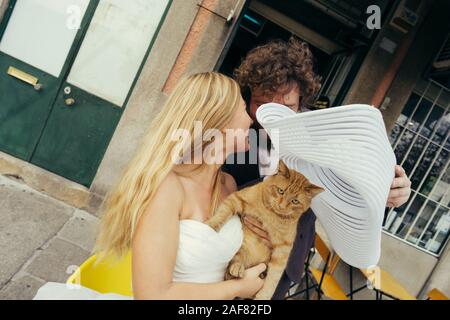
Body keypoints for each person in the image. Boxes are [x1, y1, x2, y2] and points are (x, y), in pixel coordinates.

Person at [33, 72, 266, 300]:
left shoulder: (228, 184)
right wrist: (237, 289)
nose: (251, 119)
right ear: (221, 122)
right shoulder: (168, 189)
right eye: (243, 108)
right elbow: (152, 295)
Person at [222, 37, 412, 299]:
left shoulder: (323, 140)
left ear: (302, 104)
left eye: (285, 107)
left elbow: (356, 200)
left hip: (284, 265)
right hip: (227, 253)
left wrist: (388, 196)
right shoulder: (232, 131)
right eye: (262, 104)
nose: (270, 117)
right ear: (249, 97)